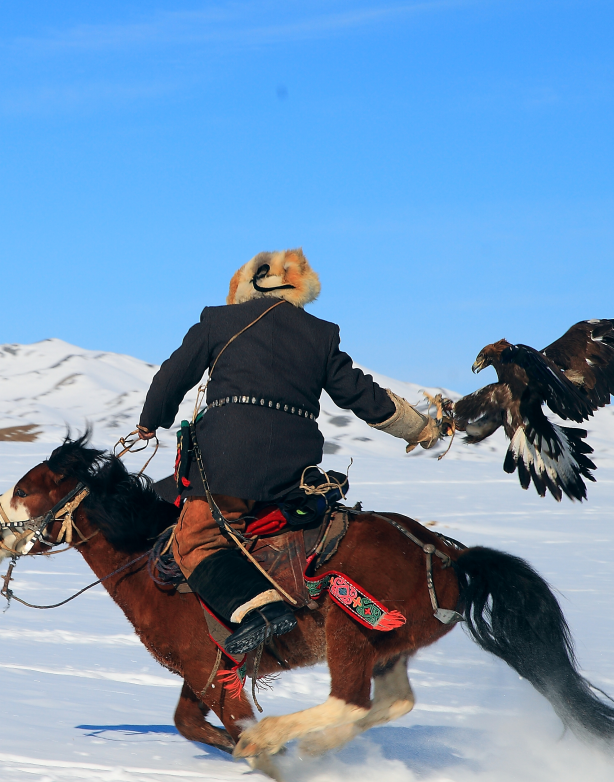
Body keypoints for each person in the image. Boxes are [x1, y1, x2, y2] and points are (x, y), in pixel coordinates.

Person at [136, 249, 440, 655]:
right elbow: (359, 393)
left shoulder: (218, 321)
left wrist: (150, 420)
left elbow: (172, 376)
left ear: (247, 285)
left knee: (194, 540)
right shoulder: (320, 334)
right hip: (291, 472)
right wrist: (418, 427)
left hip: (227, 464)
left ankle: (258, 611)